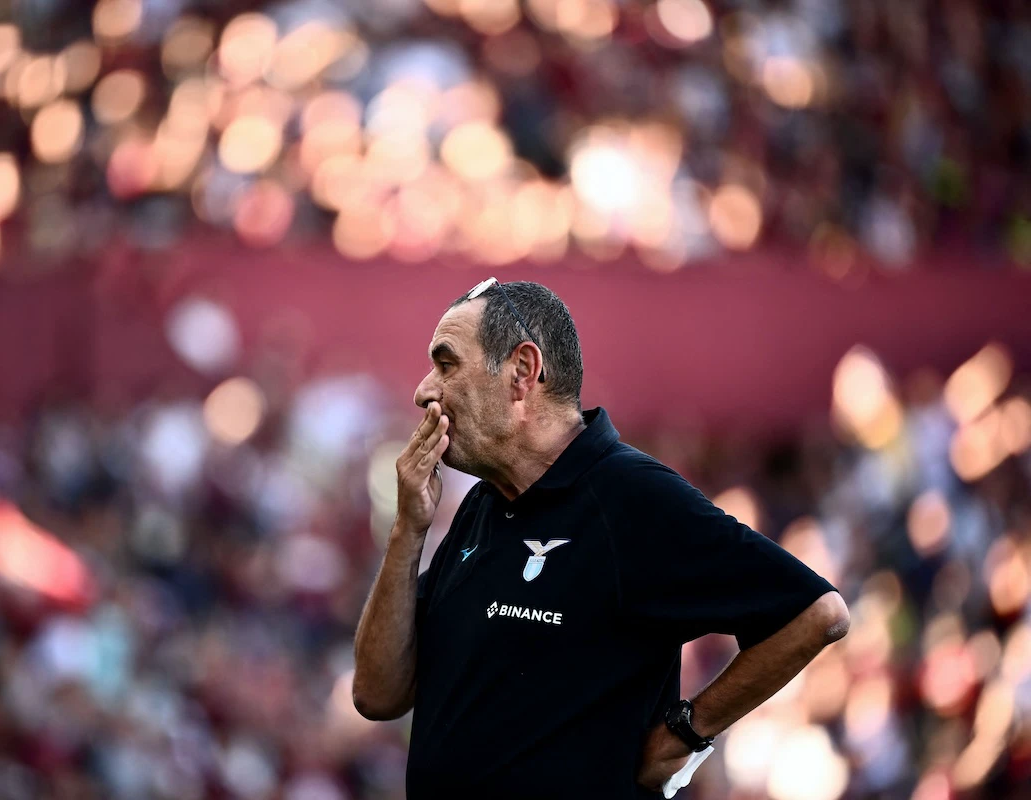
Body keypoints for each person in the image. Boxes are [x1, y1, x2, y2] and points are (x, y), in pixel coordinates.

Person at [352, 278, 851, 799]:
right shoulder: (485, 504)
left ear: (523, 371)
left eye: (446, 364)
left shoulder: (631, 497)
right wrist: (408, 528)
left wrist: (685, 733)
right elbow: (376, 694)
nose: (423, 391)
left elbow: (815, 614)